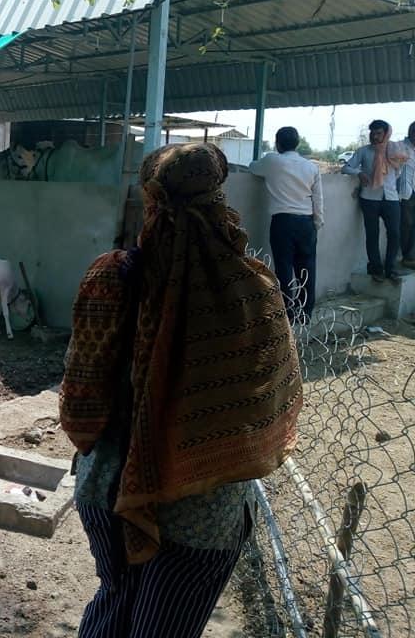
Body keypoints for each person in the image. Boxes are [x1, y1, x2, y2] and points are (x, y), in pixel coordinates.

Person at [60, 142, 303, 638]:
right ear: (219, 197)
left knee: (114, 602)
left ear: (148, 200)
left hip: (108, 493)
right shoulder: (254, 291)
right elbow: (270, 408)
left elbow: (80, 408)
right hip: (205, 517)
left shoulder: (110, 277)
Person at [249, 126, 323, 323]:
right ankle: (305, 313)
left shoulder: (273, 161)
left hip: (283, 221)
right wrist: (317, 222)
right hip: (306, 221)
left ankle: (287, 313)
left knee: (284, 268)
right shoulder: (311, 167)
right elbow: (318, 198)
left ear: (277, 143)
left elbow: (253, 167)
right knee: (307, 268)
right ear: (297, 143)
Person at [341, 120, 408, 282]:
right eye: (372, 133)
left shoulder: (394, 150)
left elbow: (399, 170)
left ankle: (390, 269)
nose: (374, 136)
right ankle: (375, 269)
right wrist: (359, 173)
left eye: (378, 133)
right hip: (369, 198)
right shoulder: (364, 151)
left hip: (391, 197)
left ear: (386, 134)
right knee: (372, 234)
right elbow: (346, 167)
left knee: (394, 233)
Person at [397, 121, 415, 269]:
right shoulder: (399, 147)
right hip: (404, 192)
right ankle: (406, 256)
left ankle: (411, 257)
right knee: (406, 224)